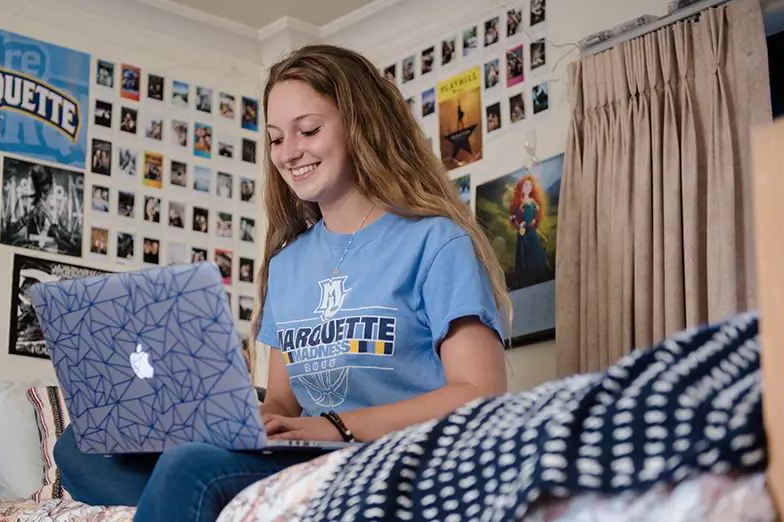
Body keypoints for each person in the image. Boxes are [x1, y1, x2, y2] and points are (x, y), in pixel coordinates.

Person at [52, 44, 512, 522]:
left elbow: (478, 393)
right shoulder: (289, 263)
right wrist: (245, 425)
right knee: (82, 448)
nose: (289, 153)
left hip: (389, 457)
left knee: (190, 467)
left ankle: (193, 483)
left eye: (308, 130)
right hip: (302, 456)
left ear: (362, 125)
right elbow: (282, 402)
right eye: (275, 138)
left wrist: (333, 426)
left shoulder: (435, 242)